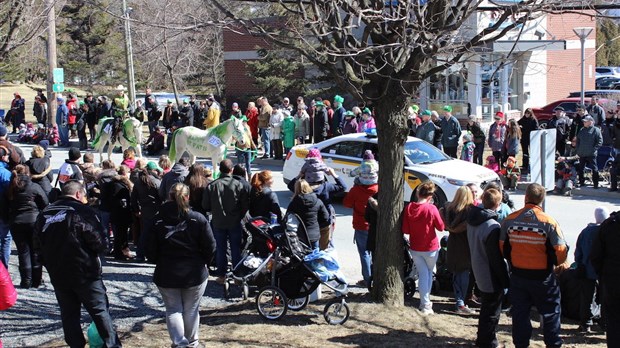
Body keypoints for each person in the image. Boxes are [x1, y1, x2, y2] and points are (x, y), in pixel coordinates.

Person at [34, 181, 122, 348]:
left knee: (69, 314)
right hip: (85, 272)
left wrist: (48, 265)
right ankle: (112, 345)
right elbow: (99, 241)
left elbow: (37, 246)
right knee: (99, 311)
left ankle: (76, 345)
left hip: (59, 273)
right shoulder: (82, 211)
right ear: (79, 194)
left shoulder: (45, 213)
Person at [147, 183, 215, 348]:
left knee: (173, 309)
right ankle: (192, 343)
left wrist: (159, 260)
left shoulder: (157, 219)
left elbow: (149, 248)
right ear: (187, 197)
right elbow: (210, 246)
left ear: (169, 196)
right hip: (193, 272)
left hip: (168, 272)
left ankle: (180, 343)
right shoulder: (197, 218)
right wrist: (206, 262)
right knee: (191, 309)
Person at [500, 183, 568, 348]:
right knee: (551, 312)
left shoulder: (509, 220)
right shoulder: (549, 222)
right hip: (543, 277)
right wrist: (555, 263)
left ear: (526, 197)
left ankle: (521, 344)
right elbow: (560, 250)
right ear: (542, 200)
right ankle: (553, 344)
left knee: (520, 313)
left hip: (518, 276)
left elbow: (503, 247)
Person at [467, 188, 510, 348]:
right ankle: (489, 342)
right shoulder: (492, 227)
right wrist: (505, 280)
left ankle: (482, 340)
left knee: (486, 309)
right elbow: (495, 259)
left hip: (478, 267)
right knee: (491, 312)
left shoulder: (472, 219)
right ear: (498, 204)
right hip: (489, 273)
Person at [401, 181, 445, 315]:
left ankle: (425, 302)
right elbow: (441, 227)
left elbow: (405, 229)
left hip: (415, 247)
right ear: (430, 197)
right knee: (427, 274)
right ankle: (425, 304)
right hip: (430, 247)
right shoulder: (431, 209)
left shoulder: (409, 208)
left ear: (418, 194)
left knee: (423, 273)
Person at [202, 159, 249, 283]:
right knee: (236, 249)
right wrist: (239, 215)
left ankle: (222, 276)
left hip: (218, 221)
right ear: (231, 170)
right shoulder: (238, 185)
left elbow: (205, 205)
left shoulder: (212, 185)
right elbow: (245, 205)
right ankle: (237, 276)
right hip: (235, 221)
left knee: (221, 249)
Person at [8, 165, 48, 288]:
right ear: (28, 173)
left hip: (16, 221)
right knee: (35, 250)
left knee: (23, 251)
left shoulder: (11, 186)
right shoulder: (34, 186)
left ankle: (26, 280)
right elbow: (45, 202)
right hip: (33, 220)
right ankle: (36, 280)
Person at [440, 186, 474, 314]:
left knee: (456, 274)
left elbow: (448, 225)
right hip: (465, 246)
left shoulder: (449, 209)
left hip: (453, 244)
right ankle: (460, 303)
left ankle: (459, 300)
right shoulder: (469, 212)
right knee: (464, 274)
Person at [575, 207, 609, 333]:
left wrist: (580, 263)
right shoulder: (608, 231)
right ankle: (604, 324)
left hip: (587, 270)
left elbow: (578, 251)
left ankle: (585, 324)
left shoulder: (586, 231)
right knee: (606, 298)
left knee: (587, 298)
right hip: (604, 271)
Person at [343, 173, 378, 288]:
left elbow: (347, 204)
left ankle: (367, 280)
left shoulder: (356, 190)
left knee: (364, 253)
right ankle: (376, 278)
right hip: (376, 225)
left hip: (361, 225)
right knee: (375, 252)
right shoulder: (379, 187)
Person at [591, 210, 620, 346]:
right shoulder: (609, 224)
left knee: (613, 321)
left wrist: (602, 275)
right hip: (611, 279)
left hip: (612, 280)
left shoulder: (609, 225)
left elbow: (595, 256)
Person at [99, 165, 133, 261]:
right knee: (119, 234)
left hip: (117, 212)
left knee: (120, 234)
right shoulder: (119, 185)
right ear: (124, 173)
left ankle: (122, 251)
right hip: (121, 213)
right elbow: (119, 200)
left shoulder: (114, 183)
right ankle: (119, 253)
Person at [131, 164, 162, 262]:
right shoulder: (156, 182)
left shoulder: (138, 182)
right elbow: (161, 196)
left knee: (145, 233)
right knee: (156, 234)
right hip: (156, 210)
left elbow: (133, 198)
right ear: (152, 170)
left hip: (144, 210)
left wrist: (136, 210)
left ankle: (140, 254)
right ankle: (153, 255)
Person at [286, 179, 330, 249]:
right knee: (314, 256)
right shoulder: (318, 201)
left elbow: (288, 217)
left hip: (300, 235)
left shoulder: (294, 203)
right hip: (314, 235)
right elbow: (326, 217)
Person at [575, 116, 603, 189]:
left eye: (585, 121)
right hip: (582, 153)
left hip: (591, 153)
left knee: (594, 168)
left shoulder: (596, 130)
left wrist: (594, 149)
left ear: (590, 122)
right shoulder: (582, 130)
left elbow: (600, 142)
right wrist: (578, 149)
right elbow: (578, 140)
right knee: (581, 168)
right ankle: (581, 182)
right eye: (584, 121)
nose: (584, 122)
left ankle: (595, 184)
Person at [0, 147, 11, 269]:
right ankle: (3, 268)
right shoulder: (5, 173)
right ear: (3, 157)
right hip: (3, 208)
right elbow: (11, 191)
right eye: (7, 155)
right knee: (6, 238)